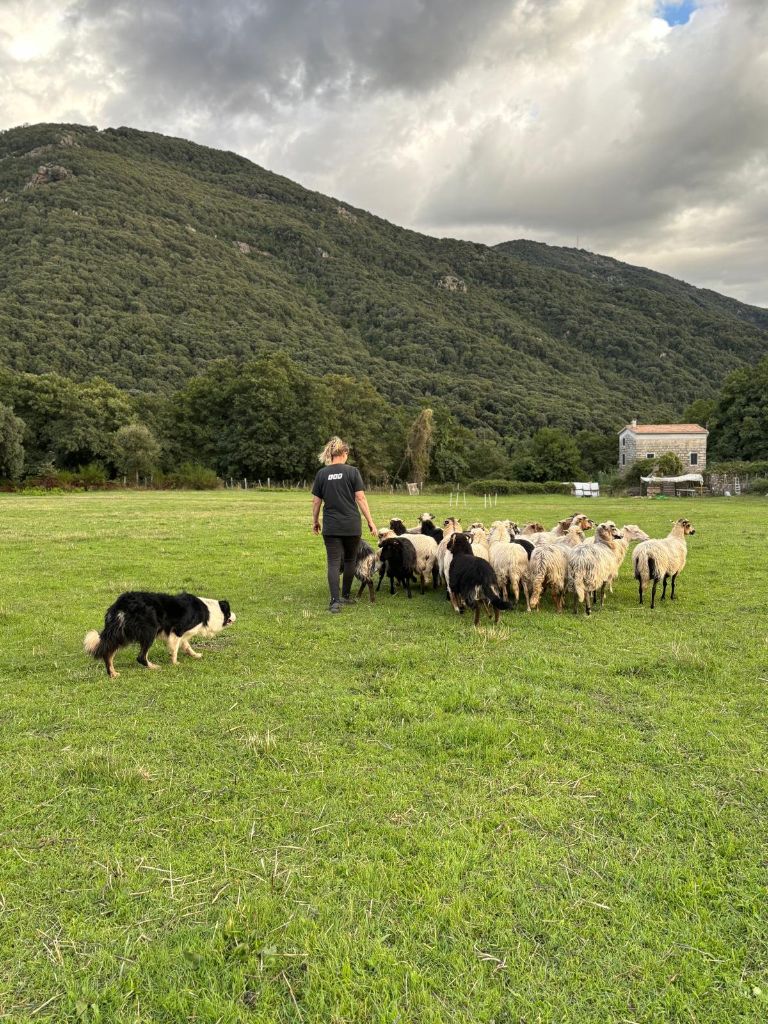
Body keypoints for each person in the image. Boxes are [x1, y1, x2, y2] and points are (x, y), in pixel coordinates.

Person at [311, 436, 378, 613]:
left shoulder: (322, 474)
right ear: (344, 453)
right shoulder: (352, 472)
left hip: (331, 526)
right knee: (350, 560)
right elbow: (361, 498)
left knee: (333, 562)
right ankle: (346, 596)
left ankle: (334, 602)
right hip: (351, 525)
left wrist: (315, 521)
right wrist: (371, 522)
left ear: (331, 454)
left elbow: (316, 502)